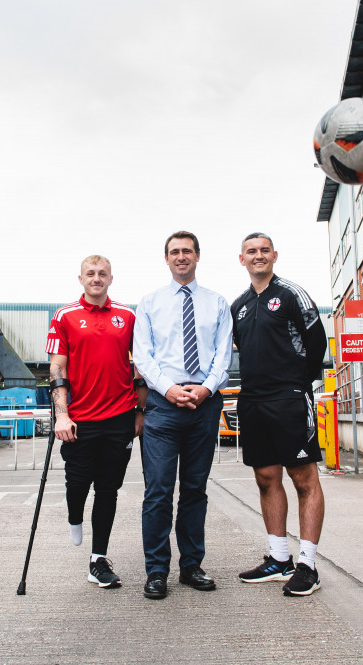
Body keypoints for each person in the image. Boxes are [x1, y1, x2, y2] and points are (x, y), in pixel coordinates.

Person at [132, 230, 233, 600]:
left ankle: (191, 565)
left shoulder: (217, 303)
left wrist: (205, 388)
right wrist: (169, 389)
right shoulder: (150, 303)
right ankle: (156, 571)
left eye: (187, 251)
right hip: (163, 404)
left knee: (195, 490)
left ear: (197, 256)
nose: (181, 257)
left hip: (204, 404)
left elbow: (224, 355)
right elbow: (143, 355)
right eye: (174, 252)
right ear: (166, 258)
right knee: (158, 490)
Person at [231, 233, 328, 596]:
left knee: (304, 479)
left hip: (289, 398)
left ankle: (308, 565)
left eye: (264, 250)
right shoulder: (238, 305)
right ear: (241, 259)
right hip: (253, 400)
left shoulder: (292, 294)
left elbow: (316, 343)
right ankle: (279, 558)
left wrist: (299, 384)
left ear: (274, 255)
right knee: (266, 477)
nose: (258, 256)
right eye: (251, 252)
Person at [45, 255, 145, 589]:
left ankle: (98, 559)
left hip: (119, 418)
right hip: (80, 419)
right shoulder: (65, 316)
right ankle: (75, 519)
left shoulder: (127, 317)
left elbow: (140, 366)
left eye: (102, 274)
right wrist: (62, 414)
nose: (97, 278)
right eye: (91, 273)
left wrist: (140, 412)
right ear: (81, 278)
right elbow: (57, 368)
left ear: (111, 279)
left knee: (108, 488)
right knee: (77, 484)